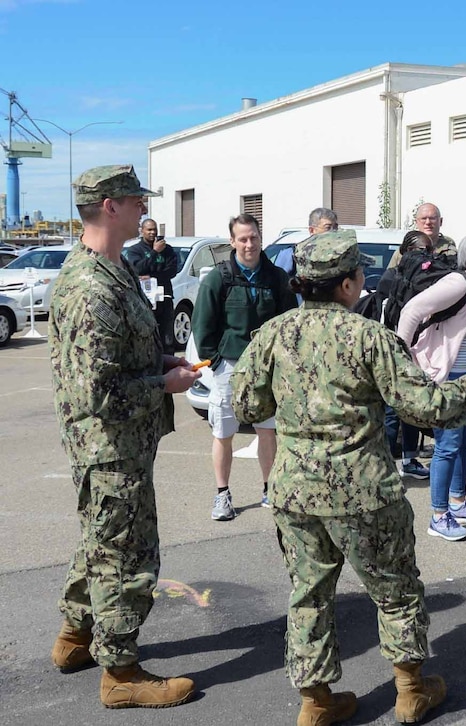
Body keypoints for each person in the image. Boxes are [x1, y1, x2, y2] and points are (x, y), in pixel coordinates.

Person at [231, 231, 466, 726]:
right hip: (365, 490)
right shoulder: (370, 337)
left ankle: (315, 703)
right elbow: (425, 408)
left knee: (308, 594)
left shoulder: (273, 334)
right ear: (350, 284)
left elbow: (247, 405)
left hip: (295, 492)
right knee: (395, 589)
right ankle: (409, 691)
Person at [48, 165, 201, 708]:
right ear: (110, 206)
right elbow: (99, 393)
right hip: (110, 448)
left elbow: (117, 355)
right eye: (136, 200)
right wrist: (165, 383)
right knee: (126, 556)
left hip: (121, 446)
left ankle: (74, 637)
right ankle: (120, 672)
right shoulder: (91, 286)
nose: (144, 209)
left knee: (99, 541)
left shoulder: (113, 269)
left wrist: (160, 359)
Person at [192, 212, 297, 520]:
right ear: (232, 241)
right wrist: (215, 360)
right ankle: (222, 495)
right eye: (243, 239)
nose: (249, 244)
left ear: (260, 238)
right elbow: (202, 325)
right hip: (229, 368)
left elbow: (288, 324)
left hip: (267, 370)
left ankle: (269, 490)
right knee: (223, 432)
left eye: (253, 238)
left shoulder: (276, 277)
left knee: (268, 431)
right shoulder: (219, 278)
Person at [398, 231, 466, 541]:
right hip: (446, 378)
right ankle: (439, 515)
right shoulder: (459, 283)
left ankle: (458, 504)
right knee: (447, 447)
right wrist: (402, 359)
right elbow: (411, 310)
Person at [382, 230, 433, 479]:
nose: (424, 258)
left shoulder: (431, 280)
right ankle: (387, 462)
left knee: (411, 408)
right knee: (392, 409)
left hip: (420, 354)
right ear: (404, 253)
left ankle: (410, 459)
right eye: (419, 252)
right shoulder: (391, 278)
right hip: (393, 353)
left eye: (427, 252)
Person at [123, 217, 179, 351]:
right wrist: (154, 252)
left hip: (164, 297)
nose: (152, 232)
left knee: (167, 337)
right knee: (148, 335)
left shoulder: (168, 249)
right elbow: (138, 270)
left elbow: (171, 271)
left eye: (154, 229)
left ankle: (169, 364)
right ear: (142, 231)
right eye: (149, 230)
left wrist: (151, 276)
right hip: (145, 299)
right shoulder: (134, 250)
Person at [389, 202, 456, 268]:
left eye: (432, 218)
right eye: (423, 218)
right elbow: (390, 276)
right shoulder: (403, 252)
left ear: (440, 221)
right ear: (416, 222)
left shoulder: (450, 252)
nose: (428, 222)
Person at [273, 207, 339, 276]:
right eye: (328, 228)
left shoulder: (342, 252)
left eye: (335, 227)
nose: (333, 231)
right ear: (312, 230)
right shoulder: (292, 253)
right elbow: (278, 281)